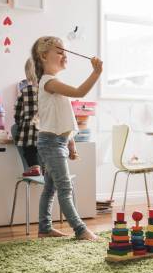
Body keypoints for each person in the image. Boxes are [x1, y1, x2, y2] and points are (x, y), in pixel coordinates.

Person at [30, 36, 102, 241]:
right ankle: (80, 229)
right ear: (44, 56)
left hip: (56, 142)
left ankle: (44, 228)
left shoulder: (55, 84)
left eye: (65, 52)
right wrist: (96, 73)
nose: (65, 55)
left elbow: (61, 119)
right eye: (59, 52)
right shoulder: (49, 82)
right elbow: (81, 91)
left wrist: (70, 144)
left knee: (51, 187)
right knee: (64, 187)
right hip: (50, 143)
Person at [13, 59, 41, 176]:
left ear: (27, 74)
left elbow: (18, 112)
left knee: (29, 149)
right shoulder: (49, 91)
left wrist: (20, 123)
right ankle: (46, 167)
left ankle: (34, 167)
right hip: (46, 130)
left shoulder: (24, 92)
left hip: (29, 130)